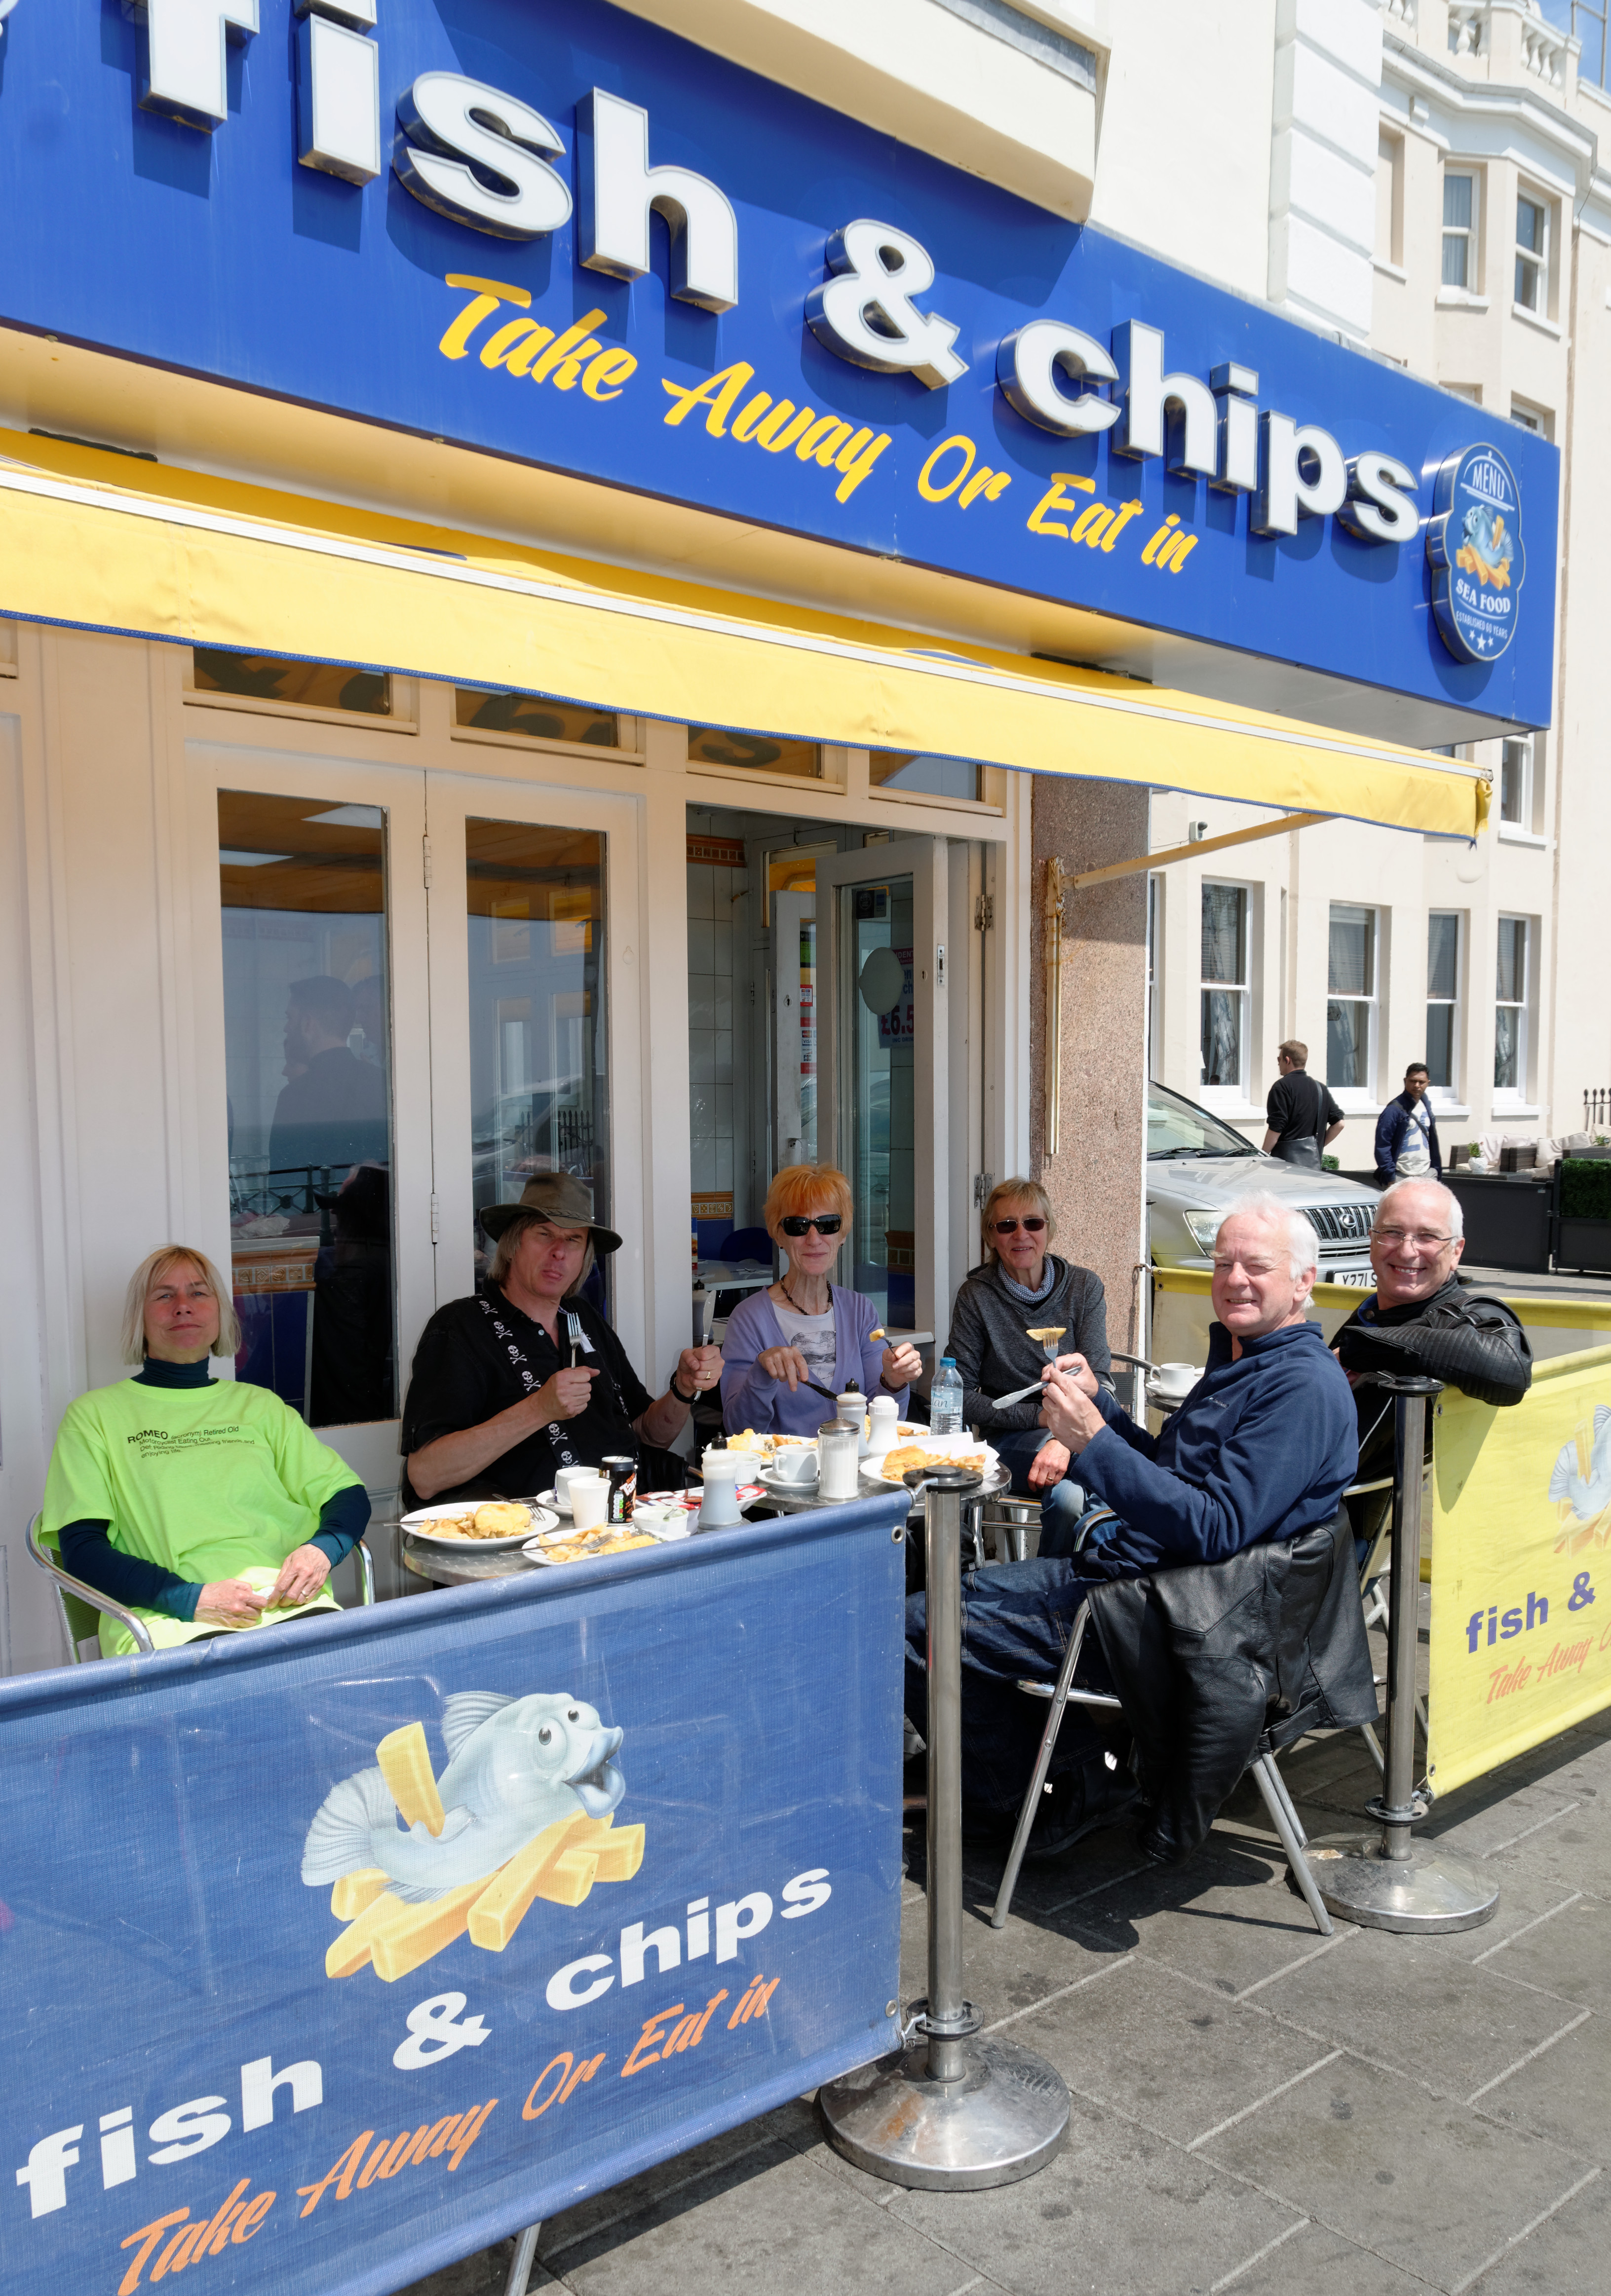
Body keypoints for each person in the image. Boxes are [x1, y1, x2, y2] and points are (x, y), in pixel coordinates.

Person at [905, 1193, 1356, 1855]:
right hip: (1137, 1586)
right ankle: (1074, 1774)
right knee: (940, 1606)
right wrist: (1107, 1413)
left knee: (917, 1627)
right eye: (1223, 1263)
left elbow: (1213, 1527)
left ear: (1303, 1282)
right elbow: (1173, 1476)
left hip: (1161, 1622)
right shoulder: (1249, 1361)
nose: (1234, 1280)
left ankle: (1032, 1792)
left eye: (1257, 1266)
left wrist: (1092, 1441)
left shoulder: (1299, 1387)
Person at [41, 1246, 369, 1656]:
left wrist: (321, 1550)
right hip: (169, 1625)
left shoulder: (261, 1406)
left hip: (290, 1608)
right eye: (164, 1295)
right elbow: (83, 1553)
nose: (183, 1306)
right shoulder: (93, 1417)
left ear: (219, 1312)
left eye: (198, 1292)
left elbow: (347, 1495)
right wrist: (189, 1598)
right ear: (140, 1317)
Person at [402, 1174, 723, 1506]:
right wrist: (539, 1409)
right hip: (526, 1533)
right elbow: (426, 1476)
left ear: (584, 1256)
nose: (559, 1252)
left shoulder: (582, 1317)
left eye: (573, 1240)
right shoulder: (461, 1327)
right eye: (544, 1234)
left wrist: (683, 1389)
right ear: (513, 1244)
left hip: (625, 1518)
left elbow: (650, 1435)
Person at [1333, 1176, 1530, 1554]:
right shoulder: (1376, 1309)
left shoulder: (1466, 1314)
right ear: (1372, 1241)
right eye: (1392, 1232)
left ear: (1456, 1251)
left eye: (1427, 1236)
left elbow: (1510, 1370)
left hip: (1341, 1537)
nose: (1407, 1250)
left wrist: (1365, 1347)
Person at [943, 1178, 1110, 1543]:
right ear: (991, 1236)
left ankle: (1063, 1580)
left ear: (1049, 1229)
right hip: (1011, 1439)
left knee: (1069, 1498)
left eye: (1033, 1222)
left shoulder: (1084, 1288)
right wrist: (1041, 1418)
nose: (1021, 1234)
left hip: (1079, 1432)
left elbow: (1101, 1383)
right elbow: (959, 1396)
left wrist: (1063, 1439)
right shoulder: (976, 1297)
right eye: (1007, 1225)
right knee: (1107, 1478)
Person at [720, 1164, 922, 1435]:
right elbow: (737, 1430)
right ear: (778, 1235)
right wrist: (762, 1373)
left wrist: (894, 1382)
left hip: (855, 1460)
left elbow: (883, 1428)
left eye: (827, 1224)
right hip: (782, 1463)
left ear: (843, 1234)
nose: (814, 1239)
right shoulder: (748, 1318)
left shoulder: (860, 1311)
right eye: (798, 1226)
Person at [268, 975, 388, 1187]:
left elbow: (286, 1190)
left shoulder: (295, 1097)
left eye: (290, 1018)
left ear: (308, 1023)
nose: (287, 1028)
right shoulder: (383, 1084)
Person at [1262, 1040, 1344, 1169]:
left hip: (1285, 1166)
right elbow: (1339, 1124)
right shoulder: (1320, 1089)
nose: (1278, 1063)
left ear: (1287, 1060)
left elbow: (1276, 1127)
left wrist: (1263, 1156)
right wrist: (1317, 1147)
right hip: (1312, 1167)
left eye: (1279, 1059)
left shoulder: (1281, 1087)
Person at [1374, 1063, 1442, 1186]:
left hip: (1427, 1173)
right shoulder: (1393, 1110)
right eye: (1413, 1081)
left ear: (1428, 1083)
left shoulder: (1426, 1105)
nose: (1417, 1085)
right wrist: (1391, 1177)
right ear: (1405, 1081)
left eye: (1421, 1082)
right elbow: (1382, 1145)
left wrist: (1436, 1170)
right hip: (1401, 1175)